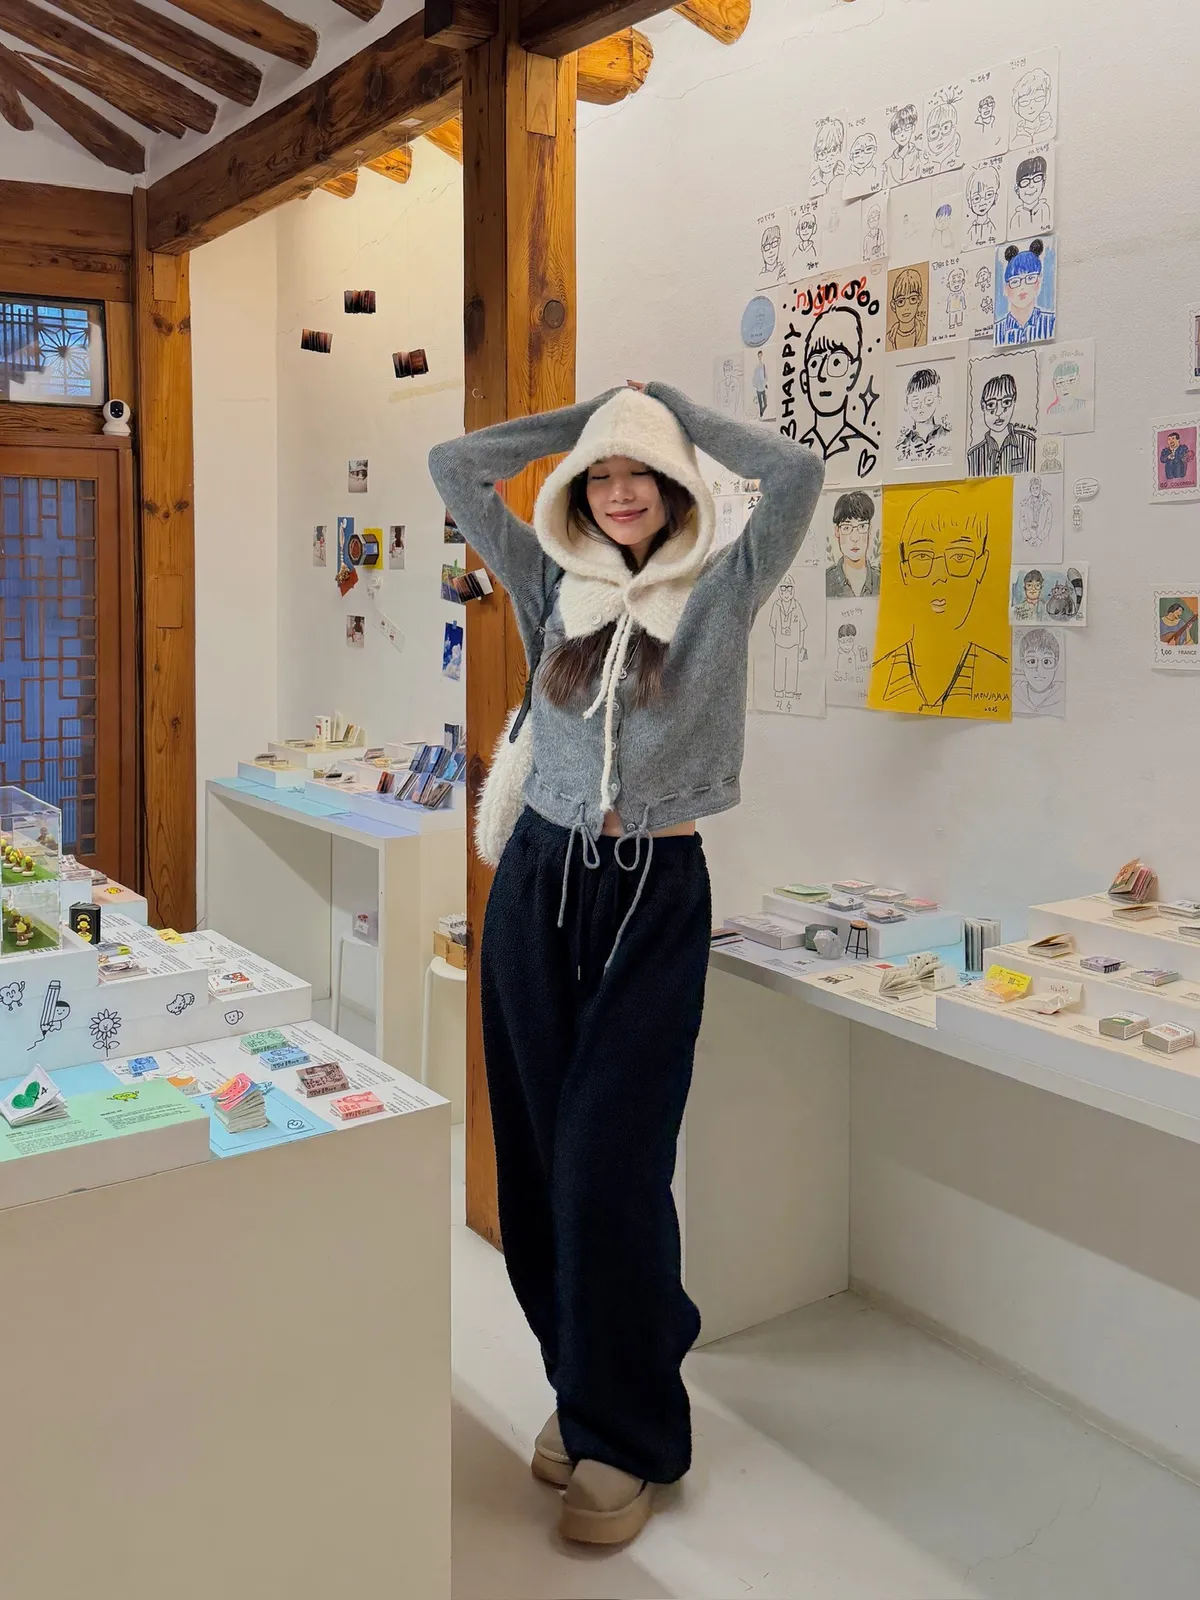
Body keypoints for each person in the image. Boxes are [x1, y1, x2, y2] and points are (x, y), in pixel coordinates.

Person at [428, 381, 823, 1547]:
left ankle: (634, 1430)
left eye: (637, 472)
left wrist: (674, 416)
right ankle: (586, 1387)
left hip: (653, 892)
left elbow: (798, 476)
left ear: (676, 485)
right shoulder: (551, 582)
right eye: (600, 476)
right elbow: (455, 466)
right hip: (538, 881)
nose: (616, 490)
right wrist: (595, 417)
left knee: (612, 1167)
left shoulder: (724, 586)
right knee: (539, 1162)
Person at [871, 486, 1008, 715]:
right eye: (922, 556)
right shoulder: (882, 675)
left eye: (959, 556)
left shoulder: (1000, 675)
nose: (939, 575)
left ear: (981, 565)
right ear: (904, 569)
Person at [797, 305, 878, 471]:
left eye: (836, 362)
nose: (822, 375)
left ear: (853, 374)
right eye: (815, 363)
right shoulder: (796, 454)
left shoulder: (865, 452)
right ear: (805, 380)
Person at [967, 371, 1037, 476]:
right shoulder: (973, 456)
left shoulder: (1030, 444)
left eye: (1006, 402)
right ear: (982, 406)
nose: (999, 412)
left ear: (1014, 402)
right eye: (991, 405)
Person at [825, 489, 879, 596]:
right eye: (846, 527)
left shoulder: (880, 579)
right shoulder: (826, 580)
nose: (855, 538)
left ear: (870, 529)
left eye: (862, 526)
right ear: (837, 531)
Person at [895, 367, 951, 463]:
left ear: (938, 401)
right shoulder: (902, 447)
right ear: (907, 407)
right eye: (915, 402)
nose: (921, 406)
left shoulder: (948, 437)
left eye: (928, 400)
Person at [769, 573, 807, 697]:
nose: (786, 594)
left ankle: (790, 691)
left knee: (792, 669)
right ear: (779, 591)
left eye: (789, 590)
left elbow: (802, 628)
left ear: (793, 591)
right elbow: (773, 625)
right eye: (783, 590)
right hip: (780, 645)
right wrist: (778, 637)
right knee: (779, 668)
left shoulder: (796, 606)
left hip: (794, 645)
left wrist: (801, 645)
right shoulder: (776, 606)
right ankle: (779, 690)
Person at [1013, 626, 1063, 714]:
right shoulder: (1014, 692)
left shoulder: (1063, 695)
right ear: (1022, 664)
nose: (1039, 670)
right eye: (1032, 661)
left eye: (1046, 662)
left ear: (1055, 664)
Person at [1009, 153, 1052, 236]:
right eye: (1025, 181)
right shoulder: (1016, 218)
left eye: (1037, 178)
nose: (1031, 185)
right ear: (1017, 189)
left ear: (1043, 182)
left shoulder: (1045, 209)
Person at [887, 265, 927, 350]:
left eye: (912, 299)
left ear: (919, 300)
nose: (907, 307)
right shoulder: (889, 338)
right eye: (901, 301)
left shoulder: (924, 332)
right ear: (893, 305)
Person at [1012, 66, 1054, 144]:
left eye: (1039, 98)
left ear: (1047, 97)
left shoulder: (1050, 129)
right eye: (1024, 102)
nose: (1031, 106)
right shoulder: (1015, 140)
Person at [884, 103, 922, 185]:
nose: (902, 134)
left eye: (907, 128)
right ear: (893, 135)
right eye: (898, 131)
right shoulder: (887, 164)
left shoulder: (919, 155)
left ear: (913, 128)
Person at [965, 162, 1000, 247]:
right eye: (977, 198)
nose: (982, 202)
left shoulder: (993, 227)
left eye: (989, 195)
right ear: (969, 202)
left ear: (995, 197)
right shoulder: (970, 231)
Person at [1019, 476, 1054, 548]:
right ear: (1030, 489)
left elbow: (1048, 523)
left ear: (1040, 488)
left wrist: (1040, 538)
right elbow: (1022, 523)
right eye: (1033, 488)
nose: (1035, 490)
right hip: (1028, 542)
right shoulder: (1025, 505)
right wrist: (1029, 538)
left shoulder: (1047, 504)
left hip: (1043, 541)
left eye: (1037, 488)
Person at [946, 265, 967, 333]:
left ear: (963, 281)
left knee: (959, 314)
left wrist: (964, 305)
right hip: (952, 308)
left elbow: (963, 299)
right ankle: (951, 324)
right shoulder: (950, 295)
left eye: (959, 281)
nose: (956, 285)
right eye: (954, 282)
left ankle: (959, 322)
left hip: (959, 307)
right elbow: (948, 302)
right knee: (952, 316)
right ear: (948, 285)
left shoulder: (961, 293)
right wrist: (947, 309)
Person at [752, 349, 769, 418]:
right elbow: (754, 377)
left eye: (761, 355)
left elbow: (765, 376)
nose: (760, 357)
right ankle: (761, 415)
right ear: (757, 356)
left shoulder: (763, 365)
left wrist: (766, 383)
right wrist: (755, 385)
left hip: (763, 387)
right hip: (758, 388)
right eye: (759, 356)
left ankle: (762, 413)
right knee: (760, 404)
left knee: (765, 404)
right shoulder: (756, 366)